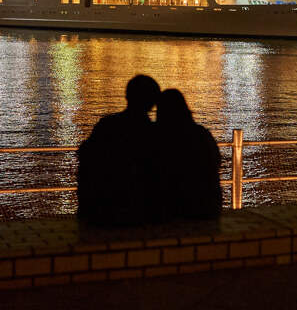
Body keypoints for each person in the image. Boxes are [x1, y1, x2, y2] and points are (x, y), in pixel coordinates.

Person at [77, 75, 160, 227]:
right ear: (152, 103)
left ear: (127, 96)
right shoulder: (151, 133)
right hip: (136, 212)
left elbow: (85, 156)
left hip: (100, 210)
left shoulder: (107, 125)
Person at [154, 89, 222, 221]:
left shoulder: (161, 137)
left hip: (177, 209)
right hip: (209, 207)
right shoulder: (202, 133)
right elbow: (217, 161)